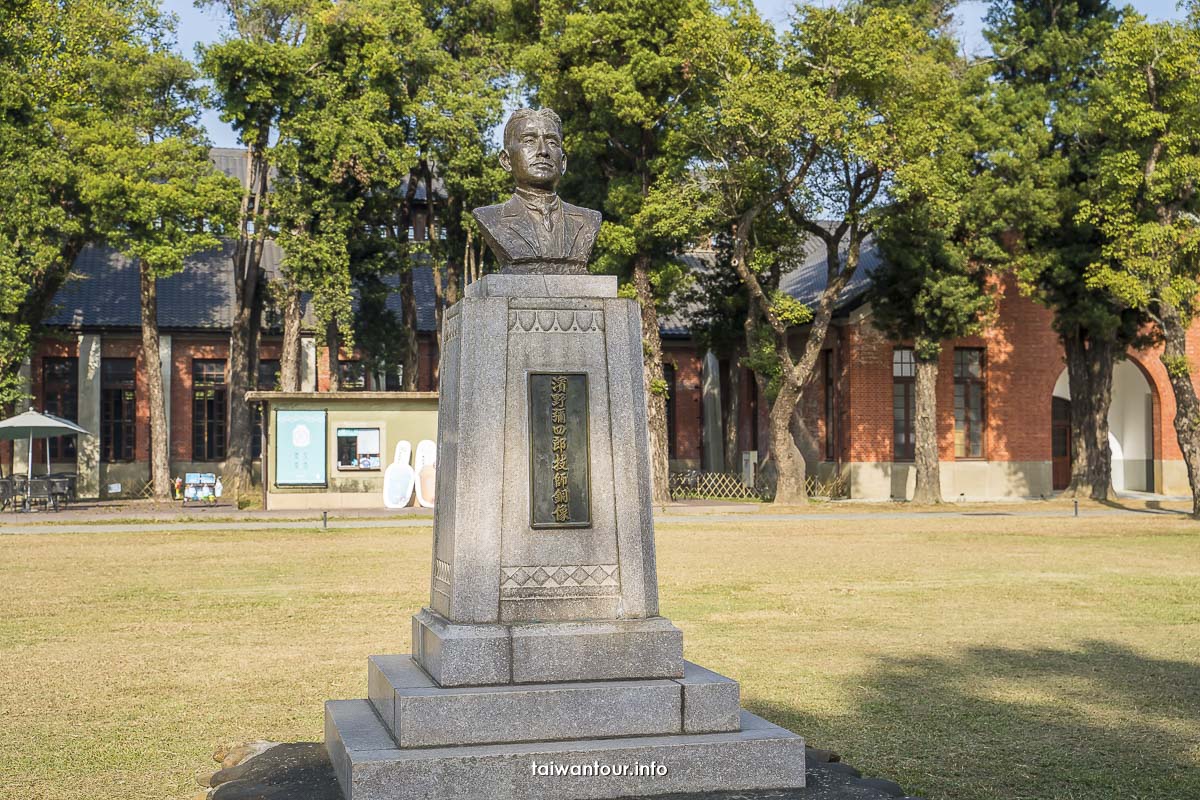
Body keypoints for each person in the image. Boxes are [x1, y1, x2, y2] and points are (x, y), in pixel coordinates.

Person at [472, 108, 602, 275]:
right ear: (506, 160)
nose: (543, 151)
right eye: (529, 141)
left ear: (563, 163)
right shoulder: (491, 218)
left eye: (552, 142)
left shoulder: (589, 220)